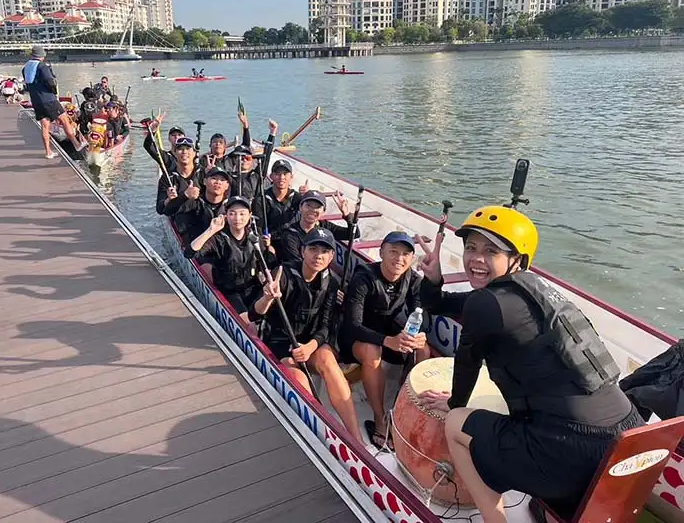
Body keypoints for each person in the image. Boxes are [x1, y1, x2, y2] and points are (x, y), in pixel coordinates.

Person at [415, 205, 644, 522]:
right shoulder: (534, 292)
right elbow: (437, 303)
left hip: (572, 451)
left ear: (517, 260)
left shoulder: (487, 302)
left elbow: (466, 366)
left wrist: (453, 405)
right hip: (629, 438)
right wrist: (434, 279)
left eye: (490, 250)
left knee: (457, 422)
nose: (476, 259)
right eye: (470, 248)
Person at [251, 228, 364, 443]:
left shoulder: (330, 283)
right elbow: (255, 312)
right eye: (313, 249)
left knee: (328, 359)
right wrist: (267, 297)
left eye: (324, 251)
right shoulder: (282, 274)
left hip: (310, 344)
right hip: (282, 344)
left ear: (331, 257)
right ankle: (324, 433)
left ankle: (355, 438)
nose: (318, 255)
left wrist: (310, 347)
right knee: (300, 378)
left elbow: (326, 327)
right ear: (303, 251)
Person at [338, 231, 429, 451]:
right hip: (357, 337)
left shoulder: (412, 279)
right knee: (372, 351)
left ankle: (402, 408)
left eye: (406, 254)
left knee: (423, 350)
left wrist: (418, 334)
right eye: (393, 252)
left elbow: (422, 313)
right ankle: (379, 420)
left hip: (388, 333)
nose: (399, 258)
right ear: (381, 253)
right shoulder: (364, 277)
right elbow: (352, 325)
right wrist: (387, 341)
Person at [184, 197, 275, 326]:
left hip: (252, 287)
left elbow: (264, 261)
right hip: (229, 291)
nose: (237, 218)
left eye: (242, 214)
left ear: (249, 216)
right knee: (247, 322)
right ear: (226, 216)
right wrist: (211, 230)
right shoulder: (218, 239)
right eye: (232, 213)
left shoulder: (255, 236)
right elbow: (189, 253)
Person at [21, 45, 83, 159]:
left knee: (45, 126)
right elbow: (50, 81)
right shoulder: (42, 66)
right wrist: (54, 91)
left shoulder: (25, 68)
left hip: (36, 101)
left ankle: (48, 152)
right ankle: (77, 144)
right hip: (48, 99)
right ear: (42, 55)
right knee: (64, 120)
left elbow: (28, 84)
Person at [275, 189, 359, 265]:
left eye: (318, 207)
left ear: (323, 211)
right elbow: (297, 263)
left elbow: (354, 234)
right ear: (300, 207)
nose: (313, 210)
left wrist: (348, 216)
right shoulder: (290, 235)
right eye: (308, 206)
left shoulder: (325, 227)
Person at [252, 159, 306, 243]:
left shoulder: (297, 198)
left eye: (285, 174)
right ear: (271, 176)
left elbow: (310, 215)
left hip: (293, 241)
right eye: (277, 174)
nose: (282, 178)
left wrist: (307, 196)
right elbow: (258, 227)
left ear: (291, 177)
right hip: (271, 242)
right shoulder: (261, 199)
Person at [173, 166, 231, 243]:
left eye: (222, 180)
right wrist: (182, 197)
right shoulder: (194, 202)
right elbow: (167, 211)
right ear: (204, 181)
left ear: (227, 186)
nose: (218, 182)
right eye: (214, 178)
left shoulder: (230, 206)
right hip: (195, 243)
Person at [155, 136, 203, 218]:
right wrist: (169, 200)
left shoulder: (203, 173)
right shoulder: (167, 178)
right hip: (179, 218)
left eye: (188, 148)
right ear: (175, 153)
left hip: (201, 216)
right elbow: (160, 209)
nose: (184, 152)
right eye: (180, 149)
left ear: (194, 153)